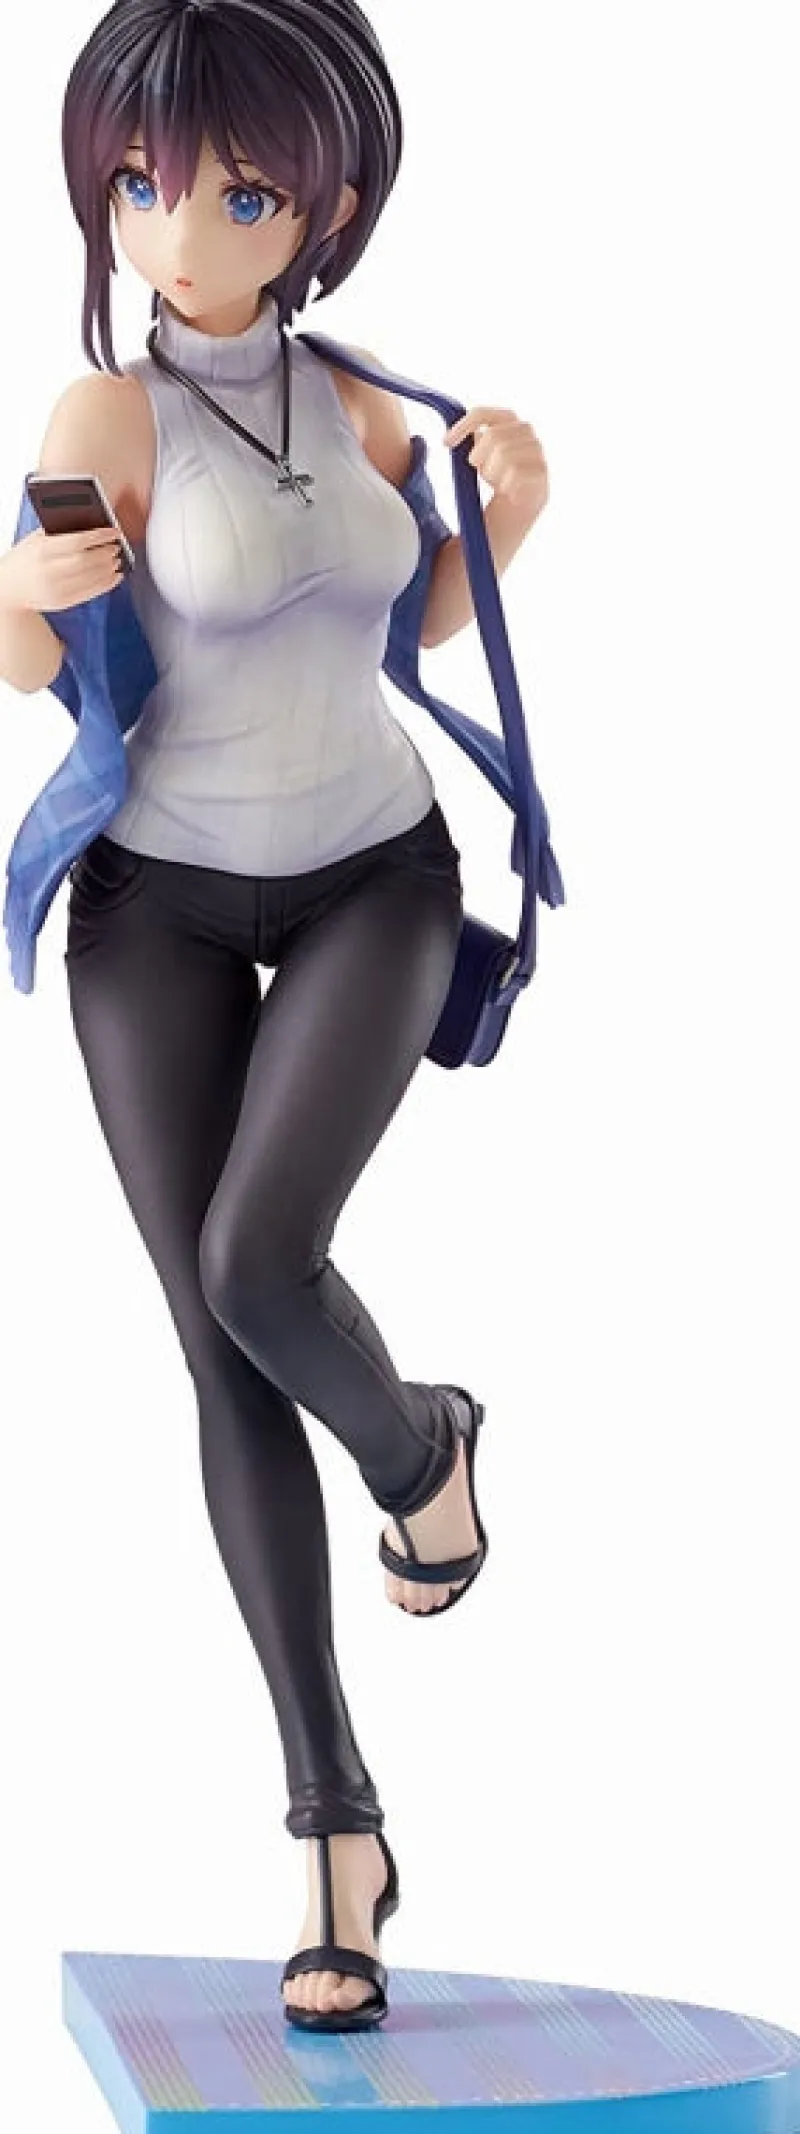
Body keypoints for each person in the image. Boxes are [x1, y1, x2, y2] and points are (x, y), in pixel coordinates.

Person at [0, 0, 548, 2032]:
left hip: (371, 872)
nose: (180, 231)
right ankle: (338, 1831)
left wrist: (507, 515)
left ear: (323, 201)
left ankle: (418, 1442)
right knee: (217, 1341)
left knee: (262, 1260)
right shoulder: (106, 412)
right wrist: (21, 590)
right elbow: (35, 657)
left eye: (237, 194)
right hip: (154, 895)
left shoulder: (370, 402)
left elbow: (403, 624)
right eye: (144, 186)